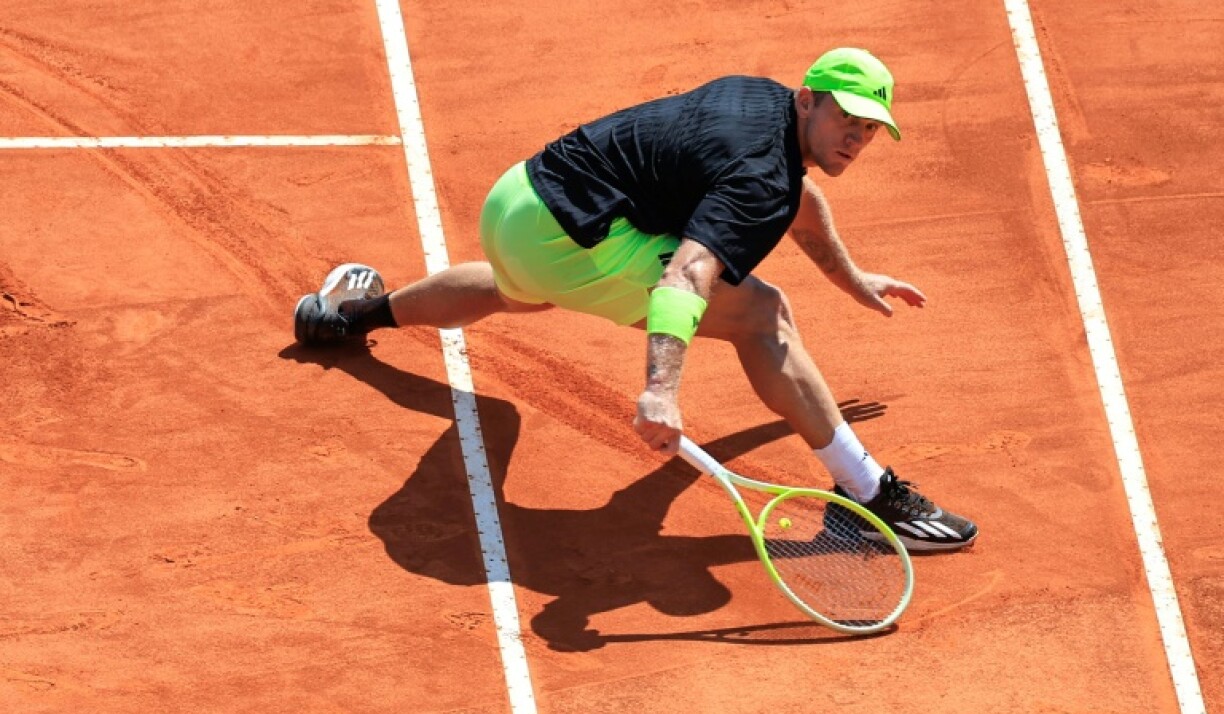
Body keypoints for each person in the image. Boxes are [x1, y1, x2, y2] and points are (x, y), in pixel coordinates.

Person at [293, 47, 978, 552]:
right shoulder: (762, 176)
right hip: (569, 244)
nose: (857, 138)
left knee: (517, 292)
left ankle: (348, 316)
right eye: (847, 119)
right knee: (762, 313)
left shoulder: (759, 101)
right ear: (809, 100)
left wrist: (851, 276)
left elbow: (797, 196)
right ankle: (868, 494)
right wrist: (661, 390)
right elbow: (686, 275)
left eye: (869, 128)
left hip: (520, 201)